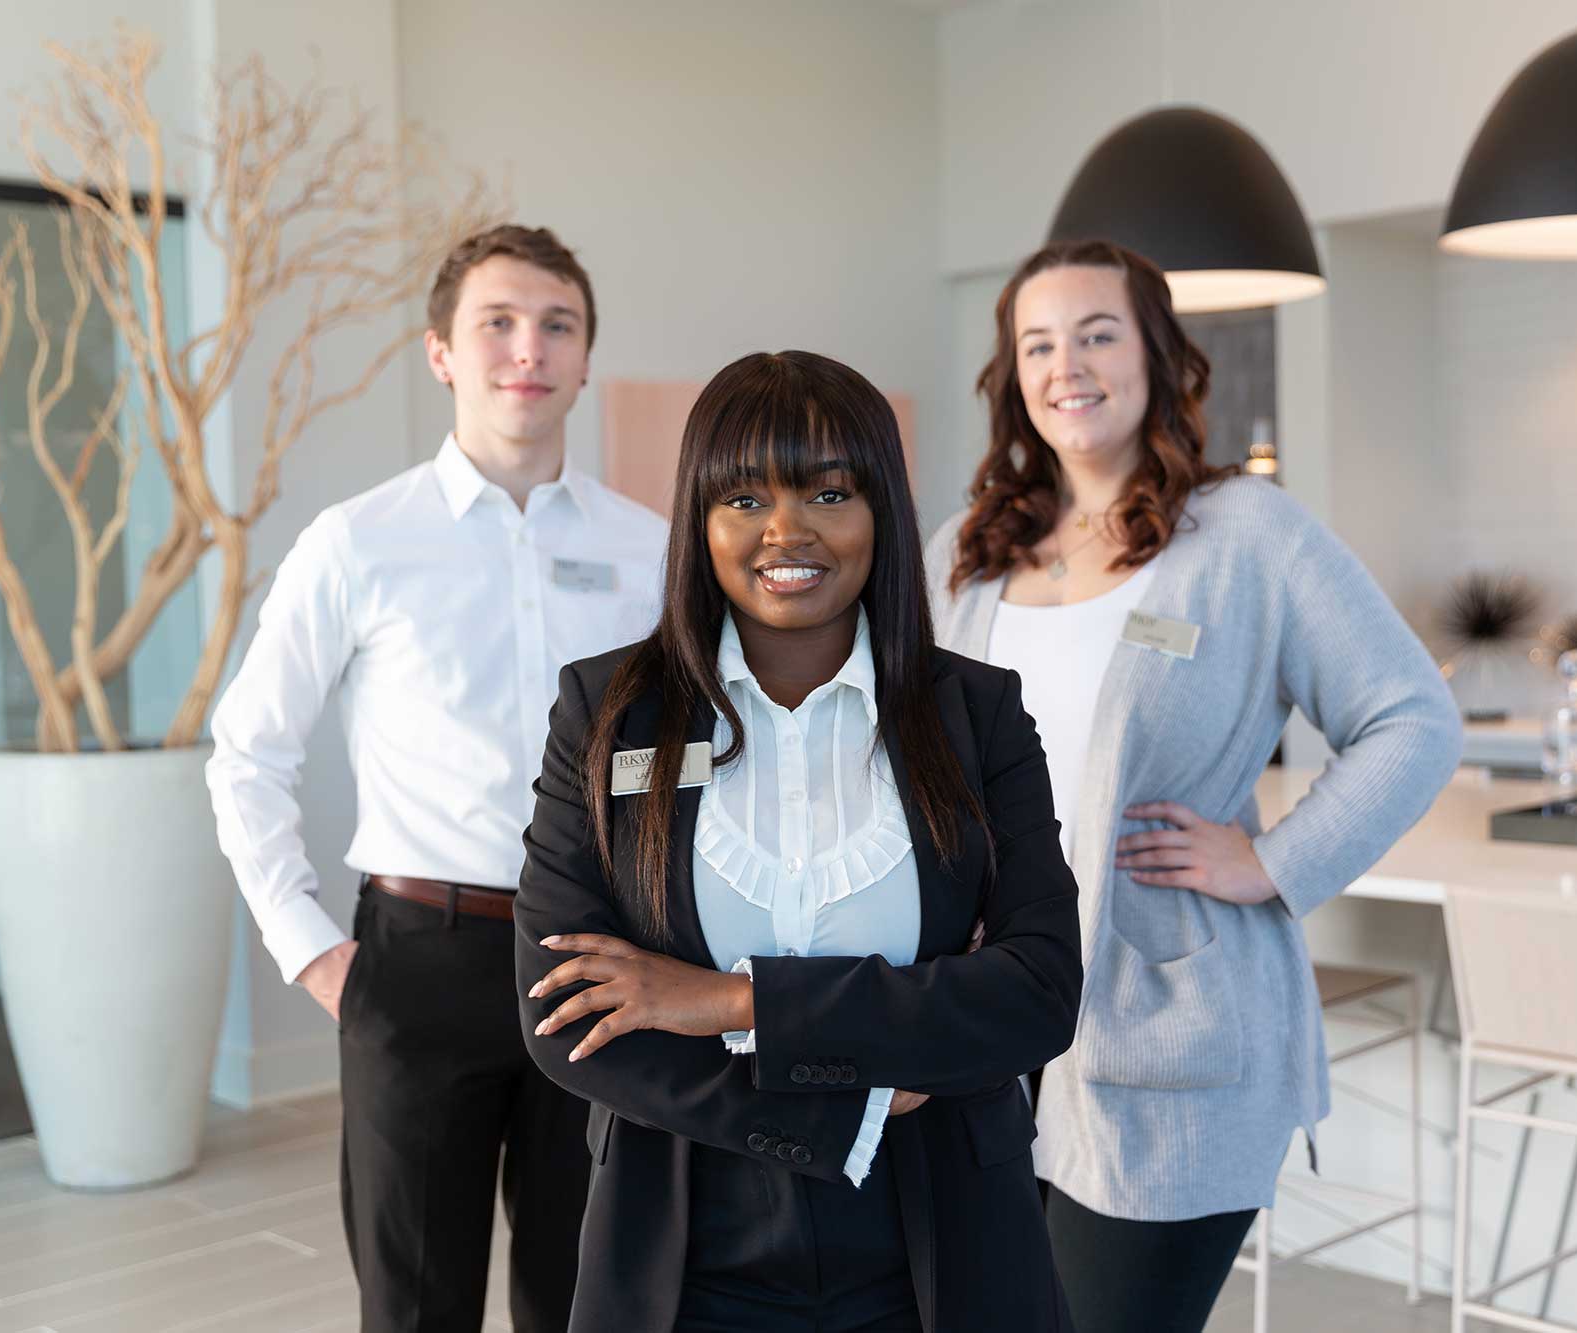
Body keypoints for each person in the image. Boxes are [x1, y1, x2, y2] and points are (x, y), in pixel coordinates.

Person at [925, 238, 1463, 1332]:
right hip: (986, 1035)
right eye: (1037, 343)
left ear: (1157, 355)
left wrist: (1268, 859)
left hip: (1167, 1035)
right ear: (1011, 376)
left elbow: (1411, 720)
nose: (1065, 364)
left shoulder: (1245, 537)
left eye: (1096, 333)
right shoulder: (967, 556)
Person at [515, 350, 1082, 1332]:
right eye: (743, 497)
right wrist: (845, 1109)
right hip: (679, 1244)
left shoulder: (977, 716)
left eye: (828, 490)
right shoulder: (606, 713)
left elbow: (1037, 991)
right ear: (698, 519)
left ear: (881, 515)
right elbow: (564, 1011)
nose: (787, 531)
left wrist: (730, 999)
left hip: (944, 1238)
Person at [205, 225, 666, 1332]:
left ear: (586, 356)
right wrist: (313, 951)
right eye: (496, 322)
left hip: (594, 959)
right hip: (417, 963)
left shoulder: (647, 548)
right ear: (441, 353)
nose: (528, 347)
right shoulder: (358, 541)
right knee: (414, 1305)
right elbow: (246, 751)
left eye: (557, 324)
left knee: (584, 1295)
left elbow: (678, 751)